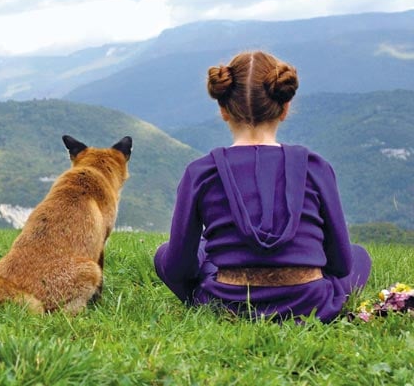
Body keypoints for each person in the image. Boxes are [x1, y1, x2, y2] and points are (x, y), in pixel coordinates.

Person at [154, 51, 371, 323]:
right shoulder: (316, 167)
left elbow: (178, 268)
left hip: (225, 301)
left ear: (223, 109)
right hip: (311, 302)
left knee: (166, 253)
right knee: (359, 254)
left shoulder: (200, 172)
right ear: (285, 108)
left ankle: (215, 300)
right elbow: (341, 263)